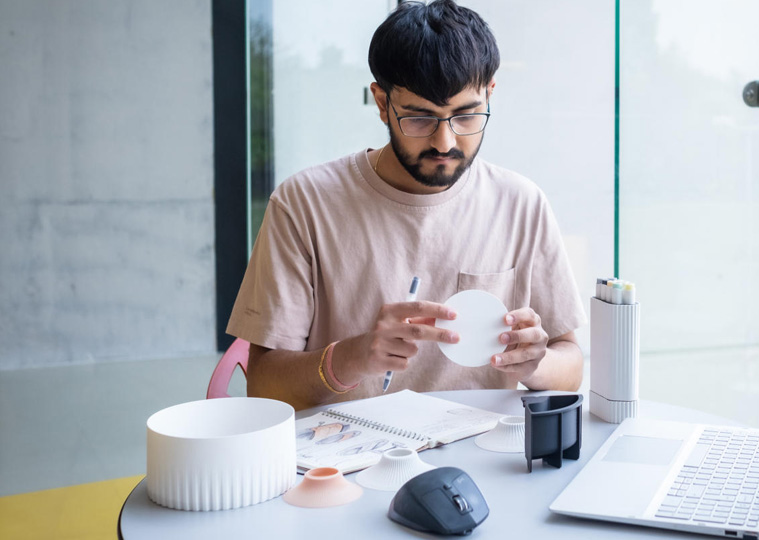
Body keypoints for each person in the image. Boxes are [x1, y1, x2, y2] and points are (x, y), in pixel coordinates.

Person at [227, 0, 586, 410]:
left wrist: (534, 365)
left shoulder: (521, 203)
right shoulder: (304, 204)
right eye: (419, 119)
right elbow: (264, 387)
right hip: (345, 462)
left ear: (490, 94)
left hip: (480, 459)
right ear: (382, 103)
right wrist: (354, 357)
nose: (444, 142)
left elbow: (570, 364)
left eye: (466, 116)